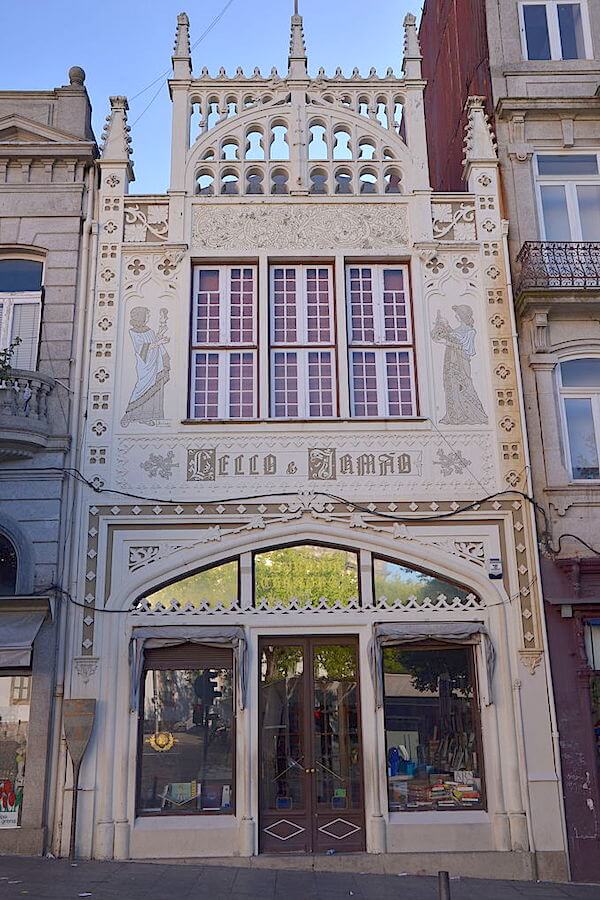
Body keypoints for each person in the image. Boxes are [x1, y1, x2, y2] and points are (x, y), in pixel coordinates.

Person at [431, 304, 488, 426]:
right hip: (450, 361)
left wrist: (447, 342)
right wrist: (444, 326)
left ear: (462, 315)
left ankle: (471, 414)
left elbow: (466, 348)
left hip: (460, 363)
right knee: (451, 385)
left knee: (464, 385)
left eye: (457, 313)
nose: (456, 315)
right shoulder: (456, 330)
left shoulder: (470, 331)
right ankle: (453, 415)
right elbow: (451, 335)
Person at [121, 307, 170, 427]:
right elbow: (142, 349)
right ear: (140, 316)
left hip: (155, 364)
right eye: (146, 315)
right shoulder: (133, 332)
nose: (148, 318)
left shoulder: (150, 330)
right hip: (145, 366)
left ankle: (147, 416)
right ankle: (129, 414)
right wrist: (159, 343)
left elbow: (154, 341)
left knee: (155, 388)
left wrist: (161, 337)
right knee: (141, 388)